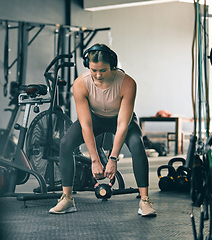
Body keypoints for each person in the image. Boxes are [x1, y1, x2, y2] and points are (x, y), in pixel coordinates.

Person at [49, 43, 156, 217]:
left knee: (137, 144)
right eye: (93, 70)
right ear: (87, 66)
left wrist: (112, 159)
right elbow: (86, 125)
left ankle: (144, 201)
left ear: (112, 65)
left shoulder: (127, 83)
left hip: (120, 119)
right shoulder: (80, 84)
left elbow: (122, 124)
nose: (98, 75)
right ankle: (67, 198)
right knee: (65, 143)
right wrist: (94, 160)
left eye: (103, 70)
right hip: (94, 119)